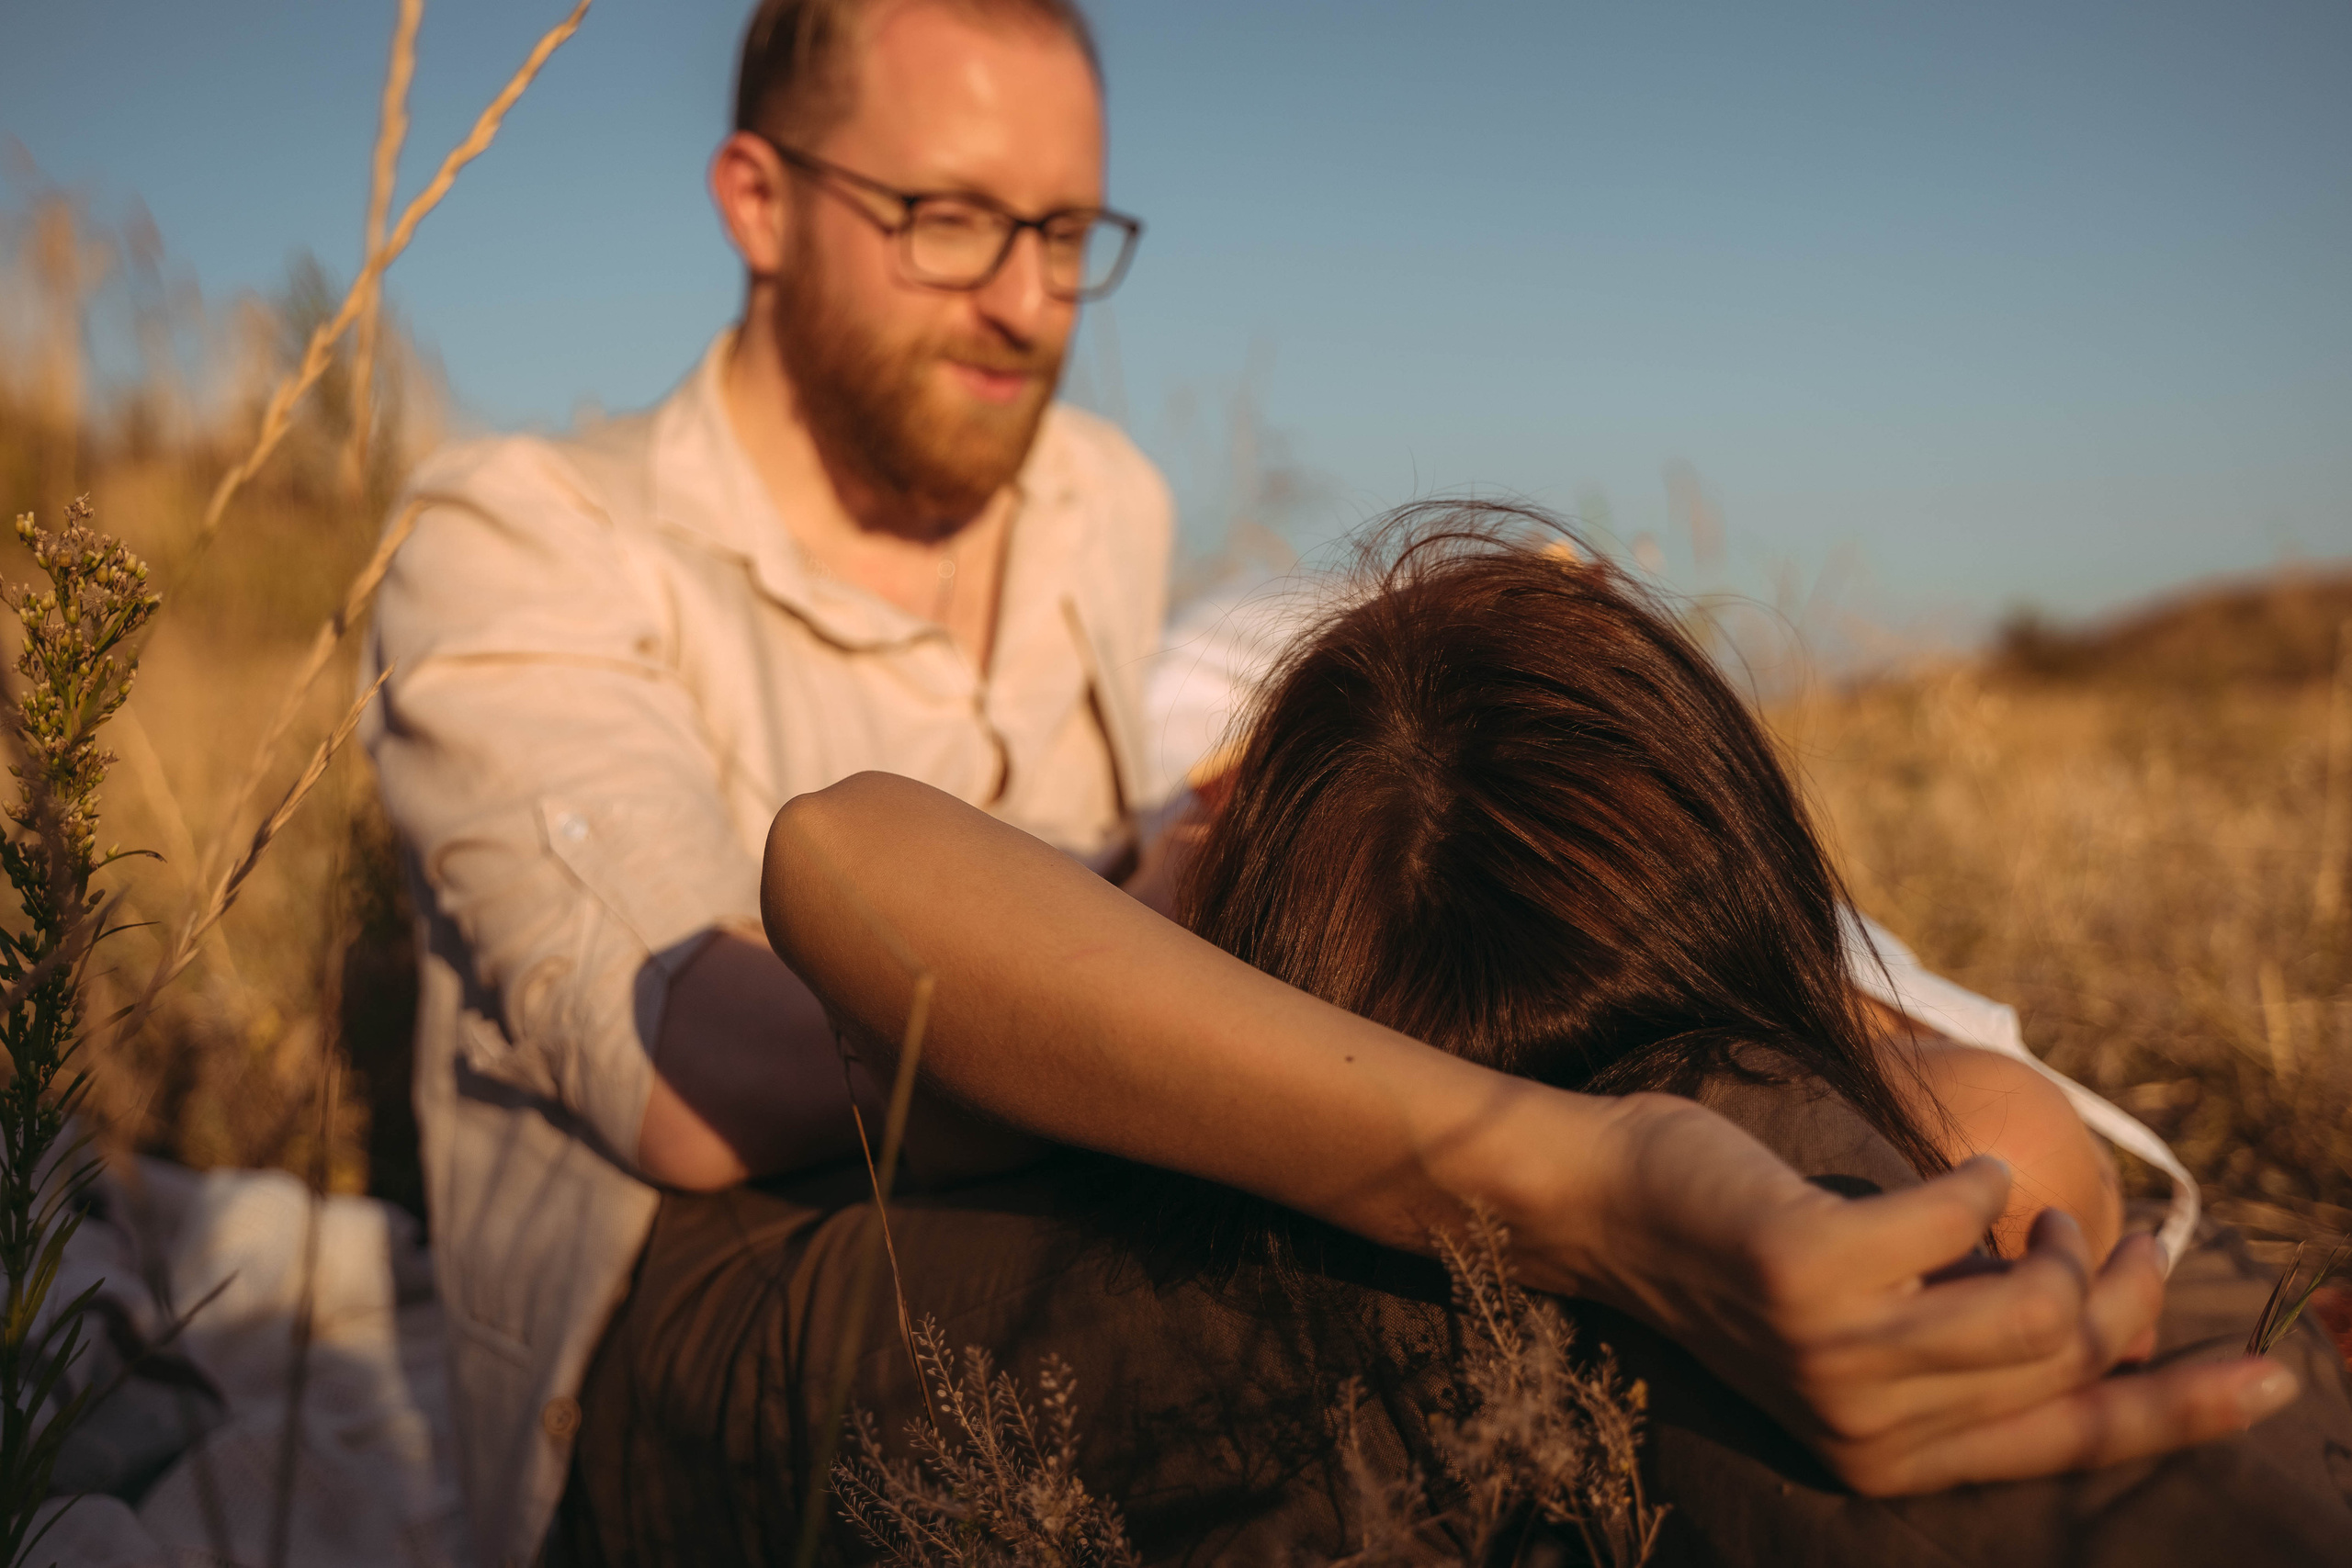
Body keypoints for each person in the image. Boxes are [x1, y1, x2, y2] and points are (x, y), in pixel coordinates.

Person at [363, 3, 2294, 1563]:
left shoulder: (1091, 504)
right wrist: (1176, 950)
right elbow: (690, 1071)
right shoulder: (522, 536)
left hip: (1138, 1115)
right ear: (756, 197)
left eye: (1064, 236)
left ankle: (2112, 1380)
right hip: (694, 1288)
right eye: (946, 218)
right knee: (1470, 1306)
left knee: (1710, 1149)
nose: (1023, 303)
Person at [596, 514, 2336, 1563]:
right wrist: (1580, 1188)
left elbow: (1998, 1143)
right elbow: (842, 857)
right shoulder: (1189, 853)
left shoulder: (1656, 909)